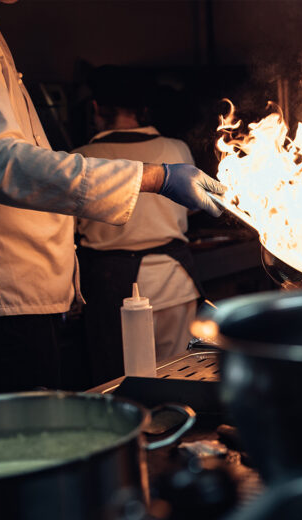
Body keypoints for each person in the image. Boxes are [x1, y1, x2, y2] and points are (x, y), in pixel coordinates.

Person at [0, 0, 225, 396]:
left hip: (85, 288)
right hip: (10, 299)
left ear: (97, 108)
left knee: (134, 385)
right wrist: (157, 177)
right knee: (131, 390)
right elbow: (1, 162)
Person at [73, 66, 208, 385]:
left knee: (122, 383)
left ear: (96, 108)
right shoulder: (176, 148)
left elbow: (69, 228)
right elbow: (191, 208)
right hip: (174, 283)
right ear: (143, 109)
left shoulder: (82, 158)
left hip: (112, 287)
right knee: (181, 377)